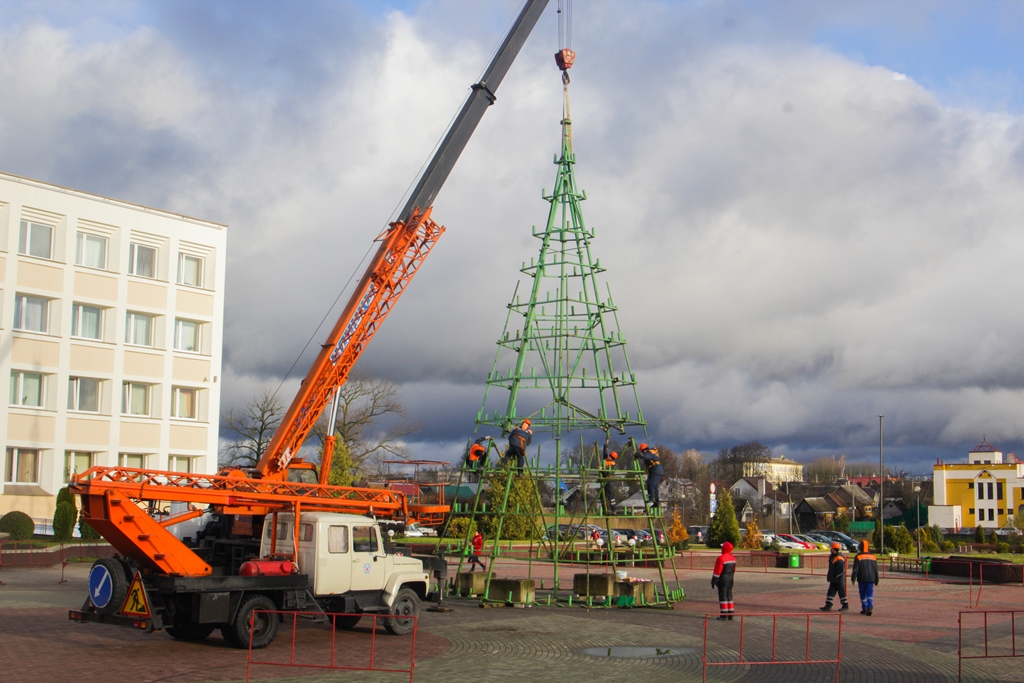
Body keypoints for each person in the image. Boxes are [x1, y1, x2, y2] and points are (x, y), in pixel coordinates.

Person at [850, 540, 880, 616]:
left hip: (862, 578)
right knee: (870, 593)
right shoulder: (873, 556)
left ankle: (865, 607)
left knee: (863, 593)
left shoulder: (858, 556)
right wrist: (877, 579)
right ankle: (870, 606)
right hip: (871, 578)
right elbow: (876, 569)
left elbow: (855, 569)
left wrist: (853, 578)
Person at [820, 542, 850, 611]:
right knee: (830, 592)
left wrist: (838, 578)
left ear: (834, 549)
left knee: (841, 593)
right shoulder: (833, 556)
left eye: (831, 548)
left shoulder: (839, 558)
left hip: (838, 580)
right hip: (834, 579)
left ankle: (845, 605)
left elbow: (840, 570)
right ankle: (828, 605)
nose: (830, 549)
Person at [711, 541, 737, 620]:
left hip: (722, 581)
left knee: (723, 597)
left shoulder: (721, 558)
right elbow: (734, 570)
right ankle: (731, 614)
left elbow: (717, 571)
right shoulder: (733, 558)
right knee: (729, 596)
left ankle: (724, 615)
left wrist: (713, 581)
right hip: (730, 580)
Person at [636, 443, 663, 508]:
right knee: (654, 486)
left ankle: (652, 498)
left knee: (651, 484)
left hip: (656, 470)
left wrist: (636, 454)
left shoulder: (650, 453)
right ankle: (656, 502)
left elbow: (645, 456)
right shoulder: (651, 453)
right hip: (655, 470)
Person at [600, 430, 619, 513]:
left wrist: (601, 469)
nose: (609, 457)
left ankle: (613, 510)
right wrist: (607, 440)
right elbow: (605, 449)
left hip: (608, 480)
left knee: (610, 495)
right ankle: (605, 510)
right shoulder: (606, 459)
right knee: (602, 496)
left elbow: (608, 473)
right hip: (603, 480)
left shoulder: (612, 464)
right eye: (610, 455)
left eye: (611, 457)